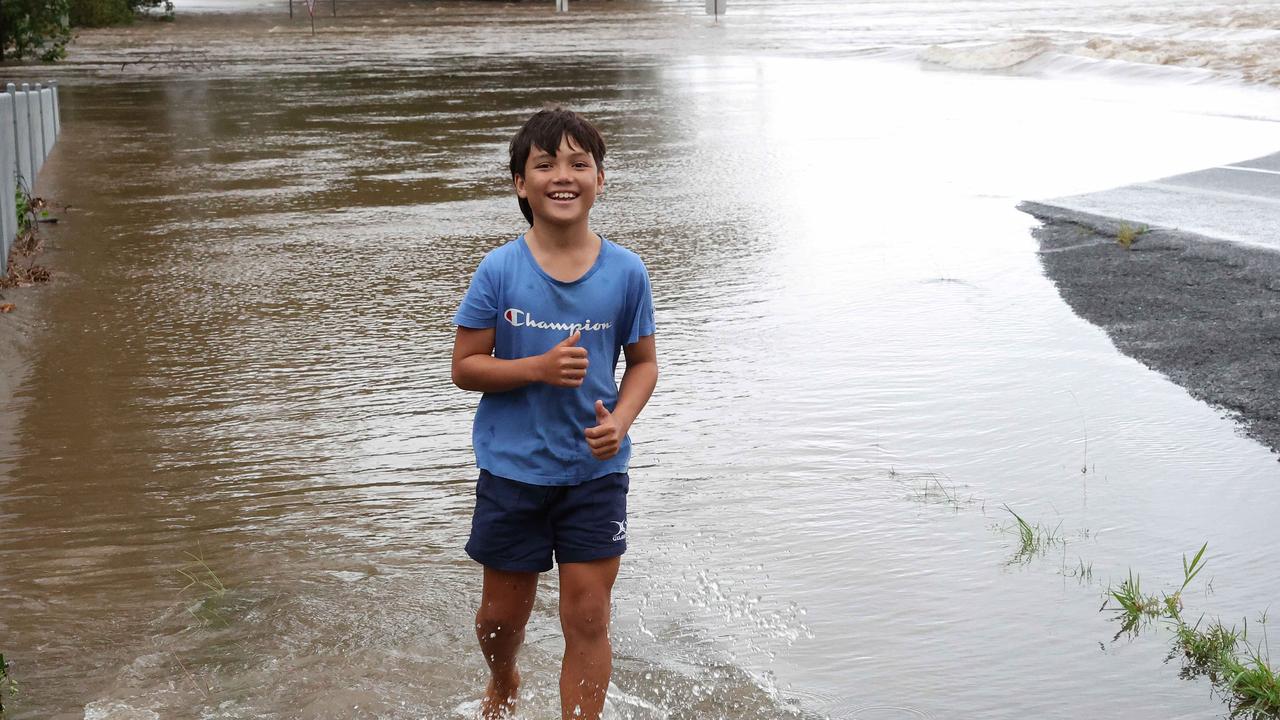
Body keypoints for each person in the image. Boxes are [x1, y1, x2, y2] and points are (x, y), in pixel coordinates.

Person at [450, 107, 658, 720]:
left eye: (578, 163)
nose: (562, 175)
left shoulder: (626, 271)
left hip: (594, 471)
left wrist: (620, 421)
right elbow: (465, 367)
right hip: (513, 469)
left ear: (599, 179)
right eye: (545, 164)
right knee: (499, 619)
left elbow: (644, 364)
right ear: (521, 183)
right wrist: (536, 368)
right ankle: (505, 680)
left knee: (588, 615)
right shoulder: (499, 269)